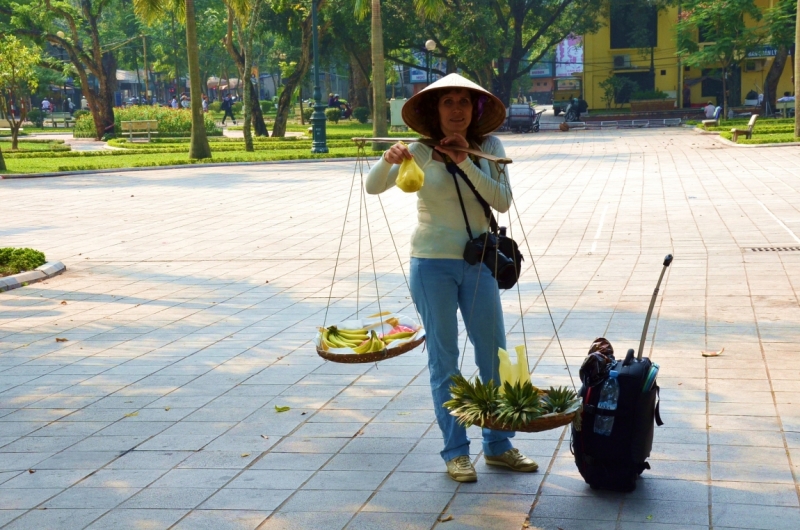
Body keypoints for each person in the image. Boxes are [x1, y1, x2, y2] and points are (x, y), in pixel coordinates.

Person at [366, 74, 538, 483]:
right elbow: (373, 187)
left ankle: (499, 445)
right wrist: (387, 159)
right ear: (435, 110)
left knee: (492, 354)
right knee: (444, 360)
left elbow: (502, 200)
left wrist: (464, 159)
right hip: (431, 264)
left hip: (479, 263)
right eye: (448, 103)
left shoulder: (489, 148)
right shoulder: (419, 152)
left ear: (474, 109)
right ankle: (455, 451)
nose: (457, 109)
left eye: (464, 102)